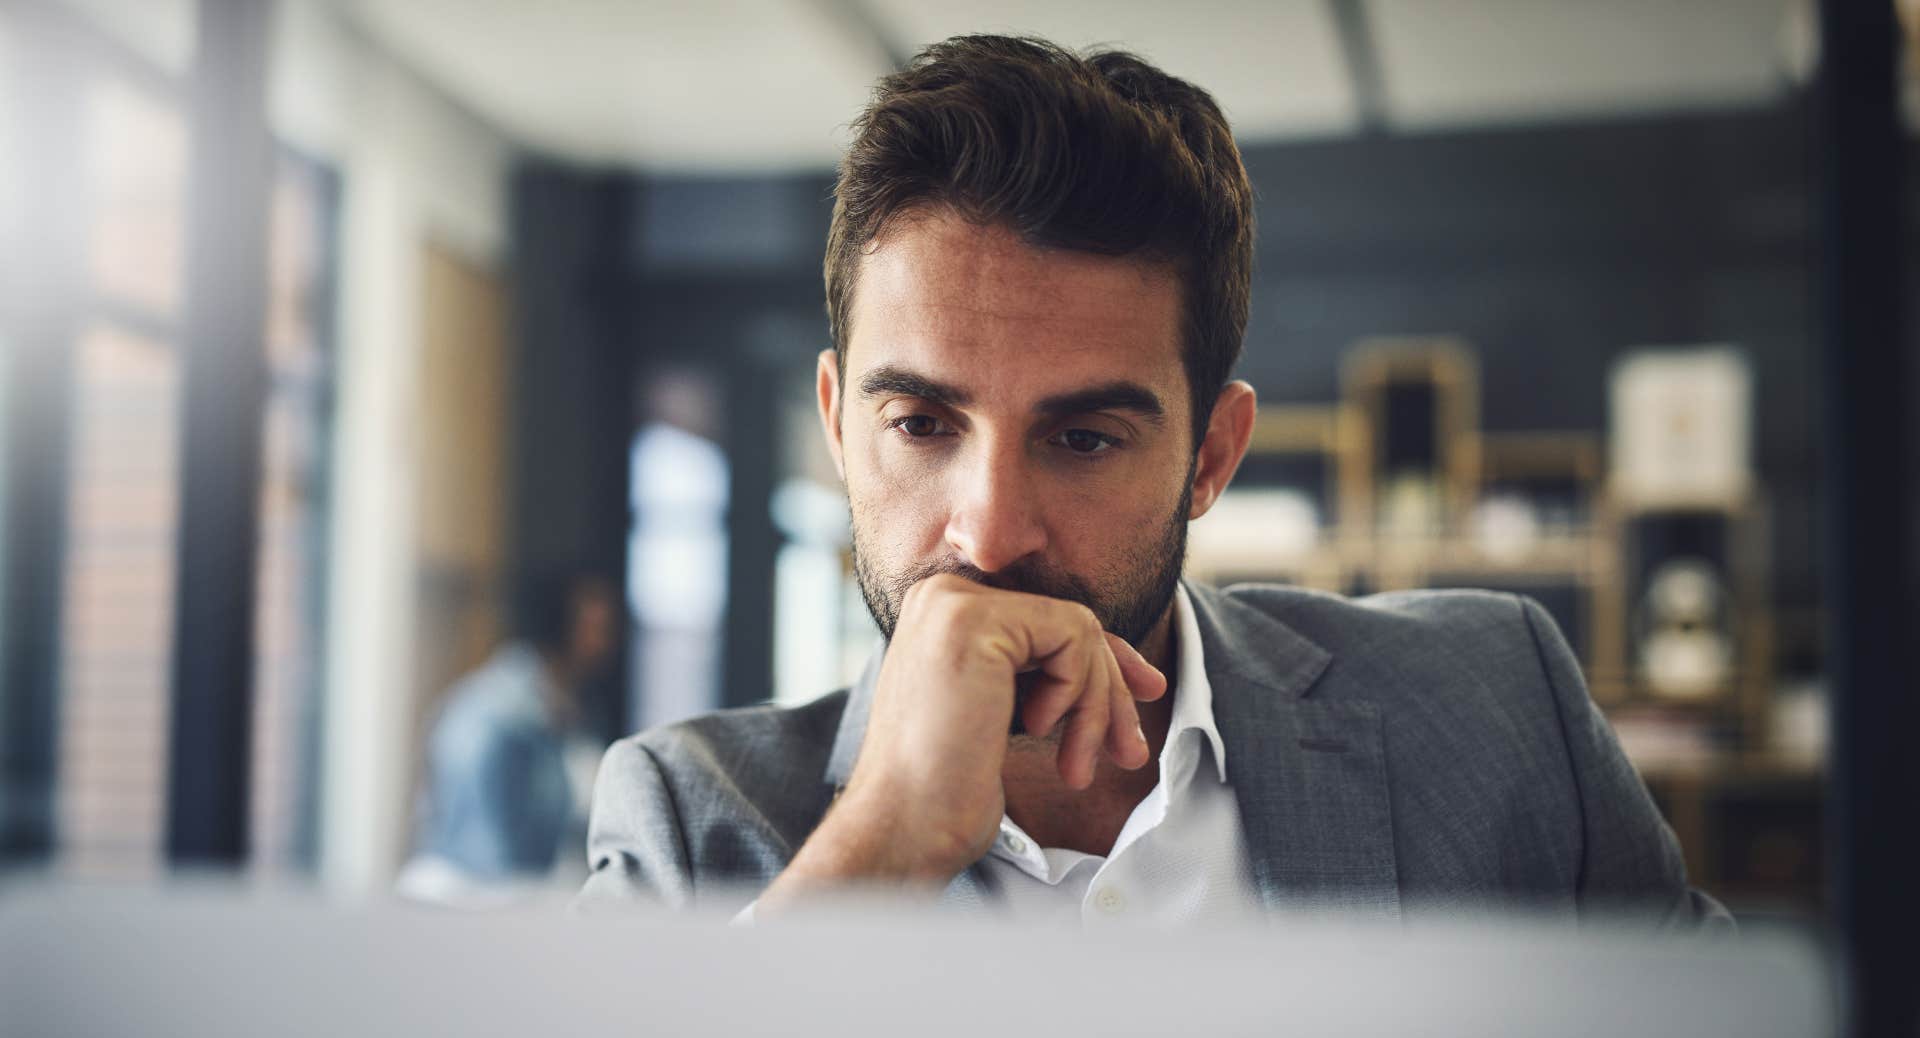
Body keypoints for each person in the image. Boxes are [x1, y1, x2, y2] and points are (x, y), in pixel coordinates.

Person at [582, 35, 1730, 928]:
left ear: (1211, 459)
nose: (987, 532)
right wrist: (878, 846)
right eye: (922, 423)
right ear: (839, 430)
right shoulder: (688, 824)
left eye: (1083, 438)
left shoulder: (1497, 714)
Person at [401, 571, 617, 905]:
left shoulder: (565, 708)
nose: (606, 642)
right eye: (596, 628)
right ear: (560, 625)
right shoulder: (498, 716)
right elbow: (492, 855)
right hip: (471, 905)